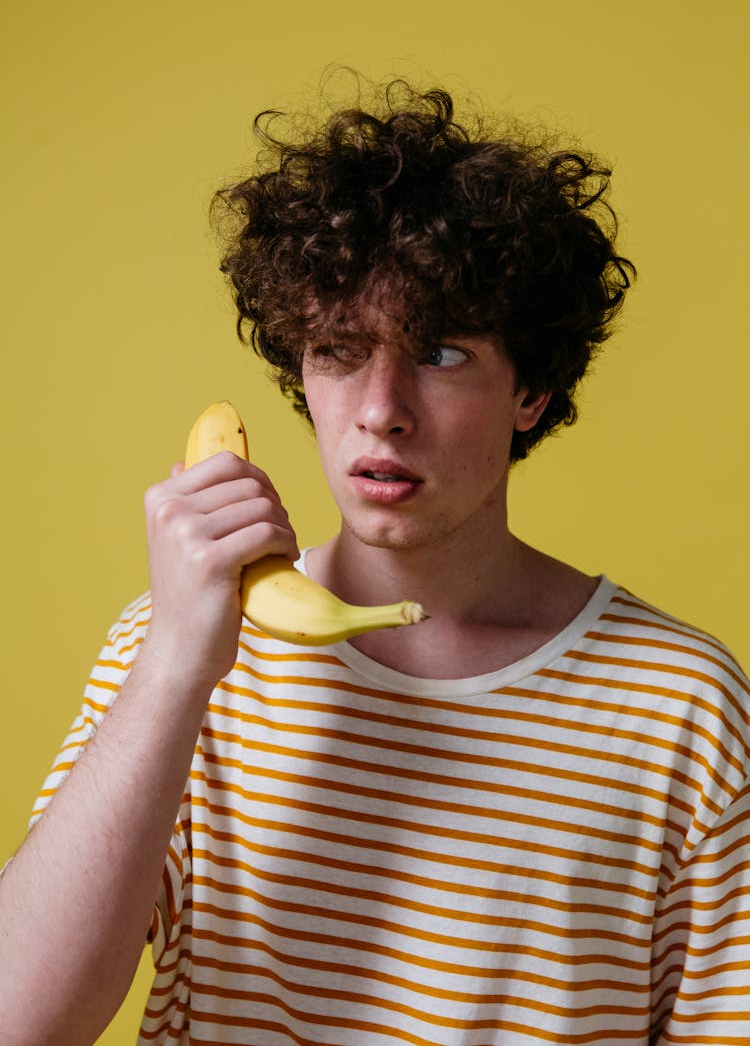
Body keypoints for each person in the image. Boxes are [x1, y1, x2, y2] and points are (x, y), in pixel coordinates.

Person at [2, 79, 749, 1046]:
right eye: (341, 350)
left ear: (534, 389)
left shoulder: (681, 703)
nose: (381, 408)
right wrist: (175, 669)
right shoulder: (173, 652)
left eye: (439, 352)